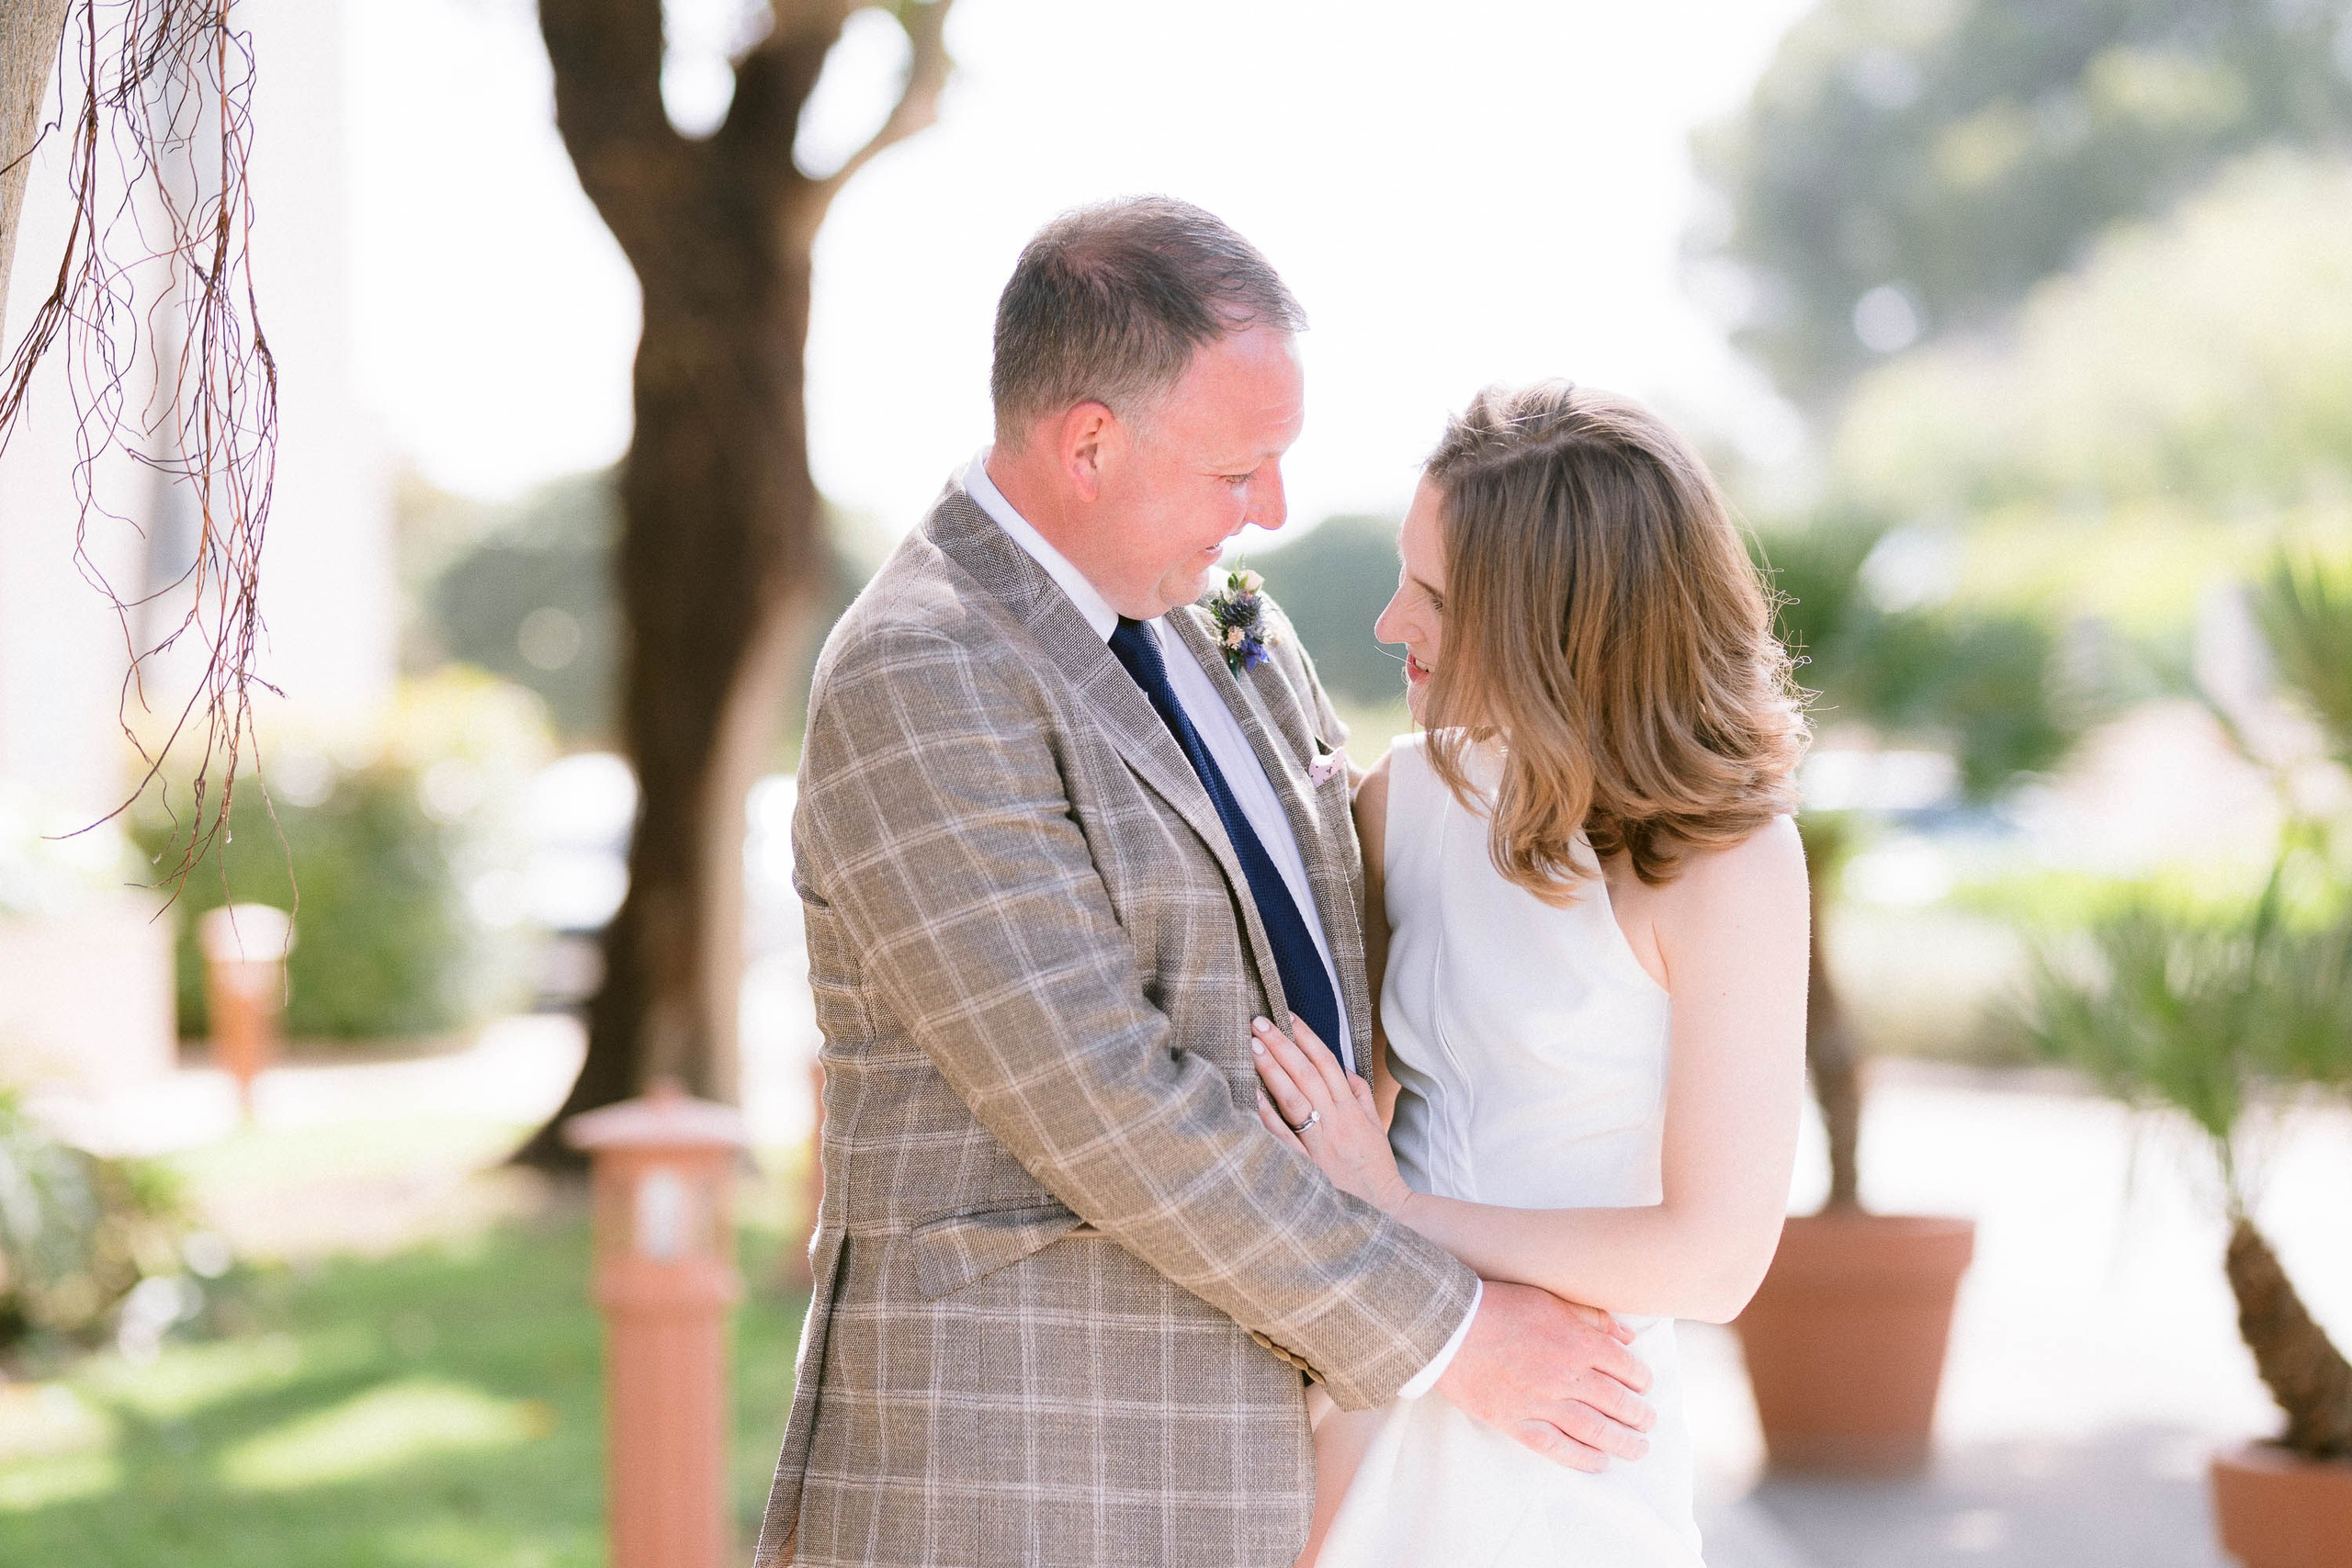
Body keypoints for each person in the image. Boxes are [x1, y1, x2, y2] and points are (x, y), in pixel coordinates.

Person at [754, 202, 1655, 1568]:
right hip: (1031, 1479)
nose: (1272, 512)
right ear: (1090, 445)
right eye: (1240, 469)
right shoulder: (924, 668)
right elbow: (1103, 1101)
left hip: (1282, 1460)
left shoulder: (1232, 623)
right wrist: (1455, 1332)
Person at [1247, 381, 1812, 1566]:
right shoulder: (1400, 804)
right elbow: (1346, 1122)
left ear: (1556, 627)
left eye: (1437, 597)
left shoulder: (1730, 863)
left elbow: (1714, 1258)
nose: (1391, 621)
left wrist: (1404, 1215)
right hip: (1382, 1409)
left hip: (1575, 1440)